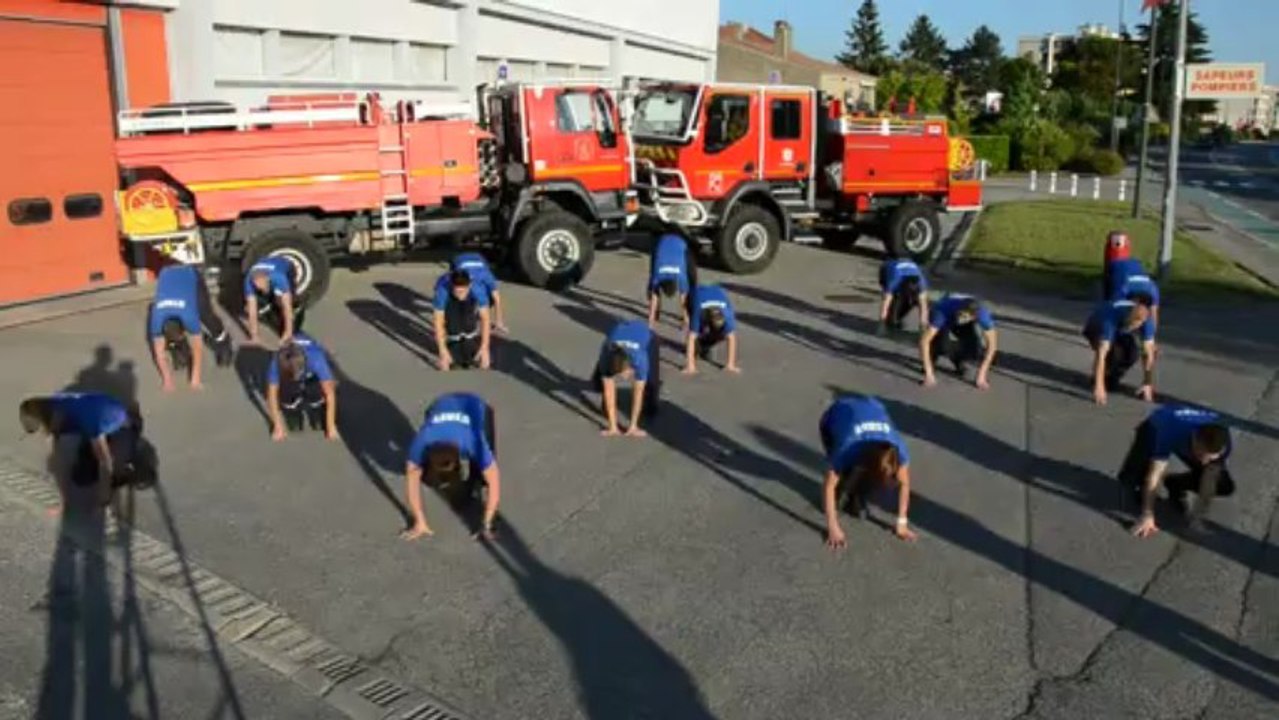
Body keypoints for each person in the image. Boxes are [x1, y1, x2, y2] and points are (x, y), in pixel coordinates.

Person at [1119, 405, 1234, 539]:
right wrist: (1147, 515)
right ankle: (1136, 484)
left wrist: (1197, 515)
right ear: (1195, 438)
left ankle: (1174, 483)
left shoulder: (1223, 444)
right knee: (1131, 479)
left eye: (1211, 458)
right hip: (1157, 426)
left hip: (1188, 438)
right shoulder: (1168, 431)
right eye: (1202, 455)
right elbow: (1154, 475)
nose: (1204, 462)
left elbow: (1209, 480)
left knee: (1222, 484)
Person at [819, 395, 916, 550]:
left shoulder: (898, 450)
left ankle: (856, 495)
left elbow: (905, 484)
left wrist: (902, 523)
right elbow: (829, 485)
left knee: (859, 498)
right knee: (840, 481)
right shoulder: (847, 447)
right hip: (835, 416)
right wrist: (833, 527)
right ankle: (847, 486)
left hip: (871, 407)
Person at [401, 392, 501, 542]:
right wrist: (419, 522)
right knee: (426, 477)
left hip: (475, 405)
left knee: (484, 473)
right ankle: (443, 478)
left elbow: (495, 481)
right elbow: (411, 478)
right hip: (439, 404)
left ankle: (473, 482)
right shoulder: (421, 442)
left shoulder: (472, 440)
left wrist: (486, 525)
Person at [19, 393, 145, 508]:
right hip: (99, 419)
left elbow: (104, 460)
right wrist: (62, 502)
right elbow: (56, 459)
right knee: (81, 476)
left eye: (42, 428)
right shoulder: (52, 407)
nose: (43, 432)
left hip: (122, 427)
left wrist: (103, 501)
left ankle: (128, 467)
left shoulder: (86, 418)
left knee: (109, 470)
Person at [149, 264, 232, 392]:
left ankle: (224, 340)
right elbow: (159, 354)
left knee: (206, 315)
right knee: (174, 349)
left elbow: (197, 349)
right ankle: (179, 349)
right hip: (166, 274)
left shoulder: (189, 316)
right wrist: (167, 381)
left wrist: (195, 379)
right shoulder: (156, 321)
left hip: (190, 274)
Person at [1083, 299, 1157, 406]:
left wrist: (1147, 383)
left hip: (1119, 329)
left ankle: (1111, 378)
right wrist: (1099, 386)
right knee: (1111, 354)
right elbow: (1101, 354)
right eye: (1130, 324)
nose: (1132, 328)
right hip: (1095, 326)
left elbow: (1148, 353)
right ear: (1129, 315)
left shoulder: (1147, 320)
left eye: (1134, 326)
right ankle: (1097, 379)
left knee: (1132, 354)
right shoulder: (1109, 320)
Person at [592, 319, 659, 438]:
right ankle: (609, 413)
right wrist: (613, 427)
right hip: (618, 332)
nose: (624, 378)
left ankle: (651, 403)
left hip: (646, 335)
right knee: (604, 381)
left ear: (631, 367)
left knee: (650, 380)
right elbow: (609, 389)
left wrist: (633, 426)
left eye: (625, 374)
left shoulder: (639, 359)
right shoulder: (606, 356)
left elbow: (637, 392)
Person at [265, 334, 338, 441]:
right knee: (286, 394)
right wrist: (278, 426)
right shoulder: (276, 363)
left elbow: (330, 393)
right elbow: (272, 394)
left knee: (316, 392)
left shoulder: (317, 359)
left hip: (311, 373)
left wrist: (331, 426)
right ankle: (293, 411)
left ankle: (316, 409)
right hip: (289, 373)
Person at [919, 295, 998, 390]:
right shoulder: (942, 312)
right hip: (945, 315)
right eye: (962, 315)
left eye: (966, 316)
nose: (963, 318)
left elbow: (992, 346)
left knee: (976, 350)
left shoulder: (983, 316)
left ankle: (958, 359)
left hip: (964, 320)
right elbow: (924, 342)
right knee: (943, 346)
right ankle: (933, 355)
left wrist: (981, 376)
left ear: (974, 317)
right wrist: (929, 374)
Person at [432, 270, 492, 371]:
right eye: (457, 292)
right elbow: (438, 323)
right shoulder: (442, 292)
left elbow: (485, 319)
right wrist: (442, 351)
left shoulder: (478, 290)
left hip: (471, 297)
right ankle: (451, 342)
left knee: (468, 318)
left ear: (469, 286)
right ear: (451, 286)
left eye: (463, 291)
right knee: (453, 321)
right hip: (448, 298)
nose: (460, 295)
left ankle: (469, 339)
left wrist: (485, 348)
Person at [683, 283, 740, 374]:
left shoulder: (727, 315)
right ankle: (699, 345)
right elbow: (691, 336)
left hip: (717, 291)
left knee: (721, 333)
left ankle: (705, 344)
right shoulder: (699, 312)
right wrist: (690, 366)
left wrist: (730, 364)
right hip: (693, 295)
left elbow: (731, 337)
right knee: (696, 330)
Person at [244, 255, 301, 345]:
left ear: (267, 279)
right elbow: (252, 310)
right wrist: (254, 336)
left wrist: (288, 332)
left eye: (262, 287)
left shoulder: (279, 277)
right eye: (258, 287)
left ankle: (295, 314)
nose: (260, 289)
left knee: (284, 302)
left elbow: (287, 306)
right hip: (265, 264)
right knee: (249, 307)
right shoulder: (249, 281)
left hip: (287, 266)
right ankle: (270, 303)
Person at [647, 232, 697, 329]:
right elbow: (683, 299)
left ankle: (689, 315)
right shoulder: (658, 277)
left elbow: (684, 299)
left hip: (677, 243)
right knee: (652, 283)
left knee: (692, 280)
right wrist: (651, 320)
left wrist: (686, 320)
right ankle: (656, 313)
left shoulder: (680, 278)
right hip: (663, 243)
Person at [450, 252, 507, 332]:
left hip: (479, 259)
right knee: (456, 295)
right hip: (459, 260)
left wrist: (499, 321)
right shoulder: (461, 278)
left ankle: (473, 311)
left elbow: (497, 299)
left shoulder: (488, 278)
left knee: (490, 298)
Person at [1105, 257, 1162, 327]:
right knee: (1111, 308)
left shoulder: (1153, 291)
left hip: (1135, 266)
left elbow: (1153, 316)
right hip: (1117, 268)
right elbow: (1113, 311)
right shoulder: (1122, 289)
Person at [878, 257, 930, 332]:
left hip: (906, 268)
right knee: (894, 297)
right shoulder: (894, 280)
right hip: (886, 268)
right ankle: (890, 318)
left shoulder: (922, 284)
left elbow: (923, 306)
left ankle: (896, 317)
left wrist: (923, 327)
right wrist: (881, 324)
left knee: (912, 301)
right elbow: (886, 302)